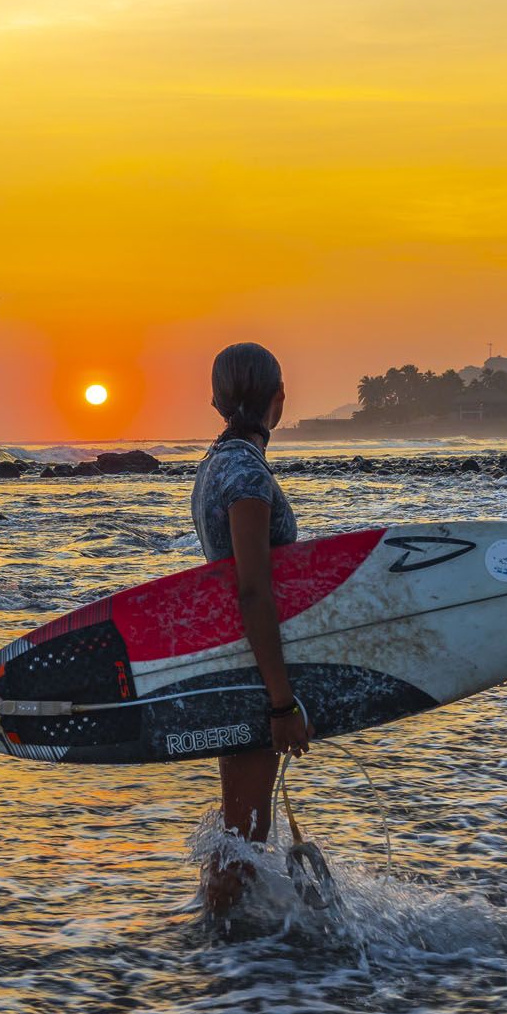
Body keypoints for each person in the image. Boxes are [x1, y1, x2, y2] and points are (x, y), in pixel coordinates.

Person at [189, 343, 311, 917]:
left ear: (216, 400)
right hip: (252, 670)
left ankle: (221, 954)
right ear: (278, 400)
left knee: (241, 827)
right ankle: (221, 958)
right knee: (247, 828)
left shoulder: (219, 462)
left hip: (236, 660)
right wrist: (281, 701)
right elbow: (254, 588)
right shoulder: (243, 470)